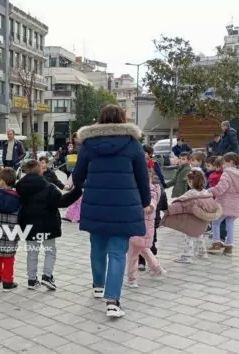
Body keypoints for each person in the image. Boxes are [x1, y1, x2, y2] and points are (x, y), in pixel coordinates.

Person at [71, 104, 150, 318]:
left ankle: (98, 286)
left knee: (97, 246)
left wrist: (90, 186)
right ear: (122, 119)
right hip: (125, 206)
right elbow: (143, 178)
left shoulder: (88, 144)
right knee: (117, 252)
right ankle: (113, 301)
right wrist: (144, 202)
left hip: (96, 204)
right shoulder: (132, 143)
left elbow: (77, 177)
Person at [16, 160, 82, 290]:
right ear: (39, 171)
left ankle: (32, 280)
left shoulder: (20, 187)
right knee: (50, 251)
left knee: (32, 252)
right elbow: (61, 202)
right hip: (48, 224)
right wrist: (77, 192)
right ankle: (47, 276)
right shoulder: (48, 187)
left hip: (29, 224)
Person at [163, 170, 222, 263]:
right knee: (199, 235)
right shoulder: (206, 192)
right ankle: (202, 253)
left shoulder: (190, 193)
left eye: (188, 181)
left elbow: (181, 204)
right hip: (202, 220)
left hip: (192, 219)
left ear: (191, 181)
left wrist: (168, 210)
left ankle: (187, 256)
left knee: (188, 237)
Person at [126, 163, 164, 288]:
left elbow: (151, 202)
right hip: (142, 227)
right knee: (143, 249)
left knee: (133, 255)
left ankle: (132, 279)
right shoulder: (149, 188)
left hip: (139, 227)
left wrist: (149, 206)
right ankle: (157, 268)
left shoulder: (149, 190)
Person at [207, 152, 239, 256]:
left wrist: (209, 191)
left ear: (231, 162)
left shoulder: (227, 173)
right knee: (230, 224)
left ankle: (216, 244)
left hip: (224, 203)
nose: (223, 165)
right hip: (236, 204)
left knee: (215, 222)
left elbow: (221, 188)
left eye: (224, 163)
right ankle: (229, 247)